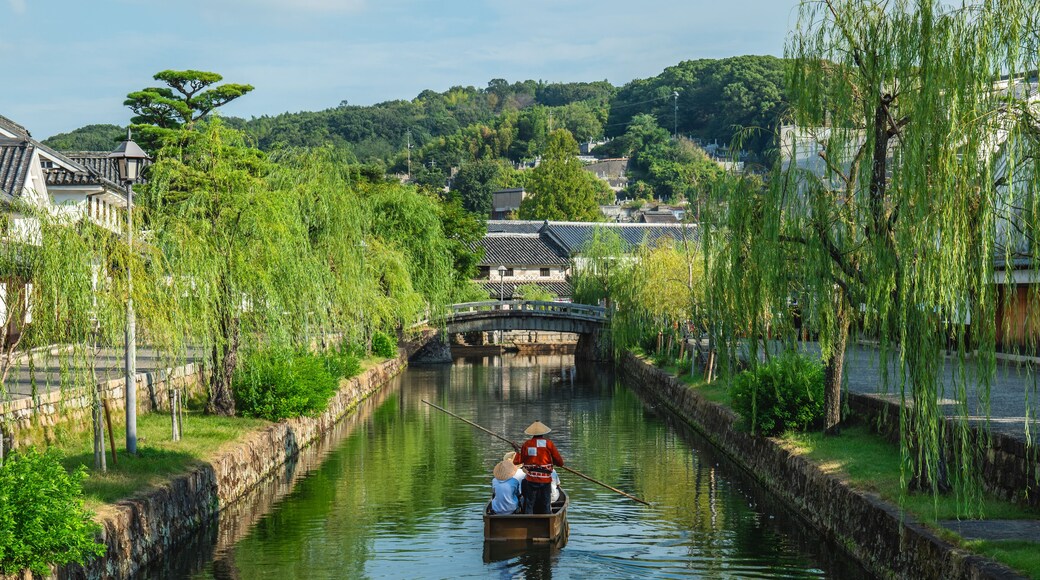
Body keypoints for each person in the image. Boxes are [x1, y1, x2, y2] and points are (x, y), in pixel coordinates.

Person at [512, 420, 564, 514]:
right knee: (546, 503)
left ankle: (529, 523)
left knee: (529, 503)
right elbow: (559, 462)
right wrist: (555, 462)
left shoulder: (526, 444)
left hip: (531, 479)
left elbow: (517, 461)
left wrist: (517, 450)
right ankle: (548, 522)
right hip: (545, 480)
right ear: (543, 432)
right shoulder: (549, 444)